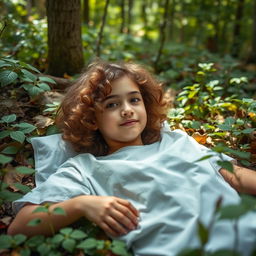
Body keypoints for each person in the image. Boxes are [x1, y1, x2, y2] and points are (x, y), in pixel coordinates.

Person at [7, 60, 256, 256]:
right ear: (92, 119)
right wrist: (81, 204)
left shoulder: (178, 141)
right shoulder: (86, 168)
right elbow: (20, 225)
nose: (127, 109)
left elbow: (234, 177)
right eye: (112, 104)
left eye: (134, 99)